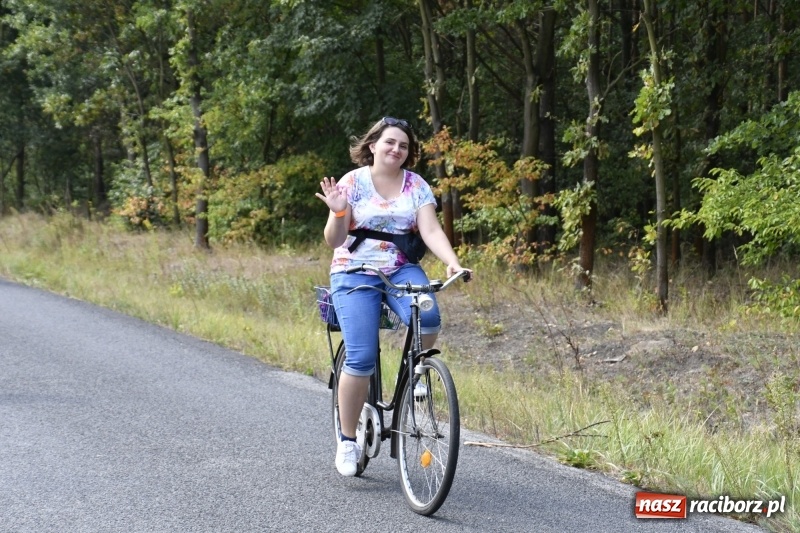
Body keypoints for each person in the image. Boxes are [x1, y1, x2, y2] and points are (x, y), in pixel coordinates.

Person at [315, 116, 472, 476]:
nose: (396, 149)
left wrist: (452, 262)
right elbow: (334, 240)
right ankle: (348, 440)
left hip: (400, 268)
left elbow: (430, 230)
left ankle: (415, 378)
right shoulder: (352, 182)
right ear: (373, 146)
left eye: (403, 145)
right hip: (354, 270)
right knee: (362, 357)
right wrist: (338, 211)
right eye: (390, 142)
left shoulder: (416, 185)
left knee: (428, 317)